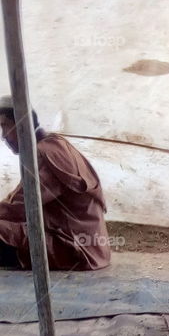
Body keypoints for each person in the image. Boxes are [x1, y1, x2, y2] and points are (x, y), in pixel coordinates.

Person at [0, 98, 110, 270]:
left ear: (22, 123)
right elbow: (18, 198)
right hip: (91, 247)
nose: (3, 135)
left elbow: (21, 208)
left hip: (75, 249)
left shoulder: (44, 154)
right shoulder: (54, 144)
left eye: (5, 126)